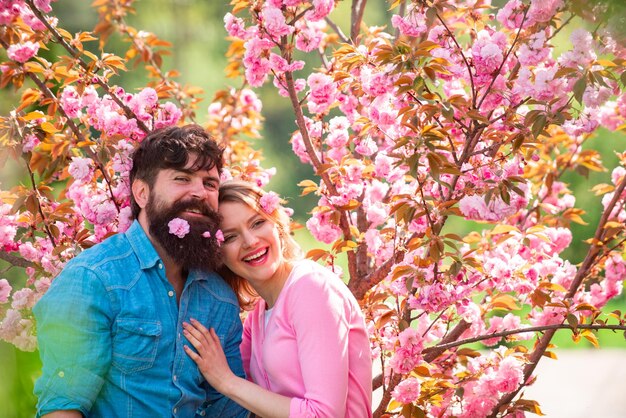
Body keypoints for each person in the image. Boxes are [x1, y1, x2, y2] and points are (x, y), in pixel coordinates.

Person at [33, 125, 248, 418]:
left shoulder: (219, 298)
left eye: (210, 184)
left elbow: (228, 410)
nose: (200, 192)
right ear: (142, 193)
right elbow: (62, 406)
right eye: (182, 178)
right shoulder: (92, 278)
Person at [183, 180, 373, 418]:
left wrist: (227, 382)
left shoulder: (312, 288)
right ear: (218, 255)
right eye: (230, 237)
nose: (251, 241)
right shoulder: (257, 318)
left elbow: (323, 414)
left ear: (277, 224)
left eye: (258, 223)